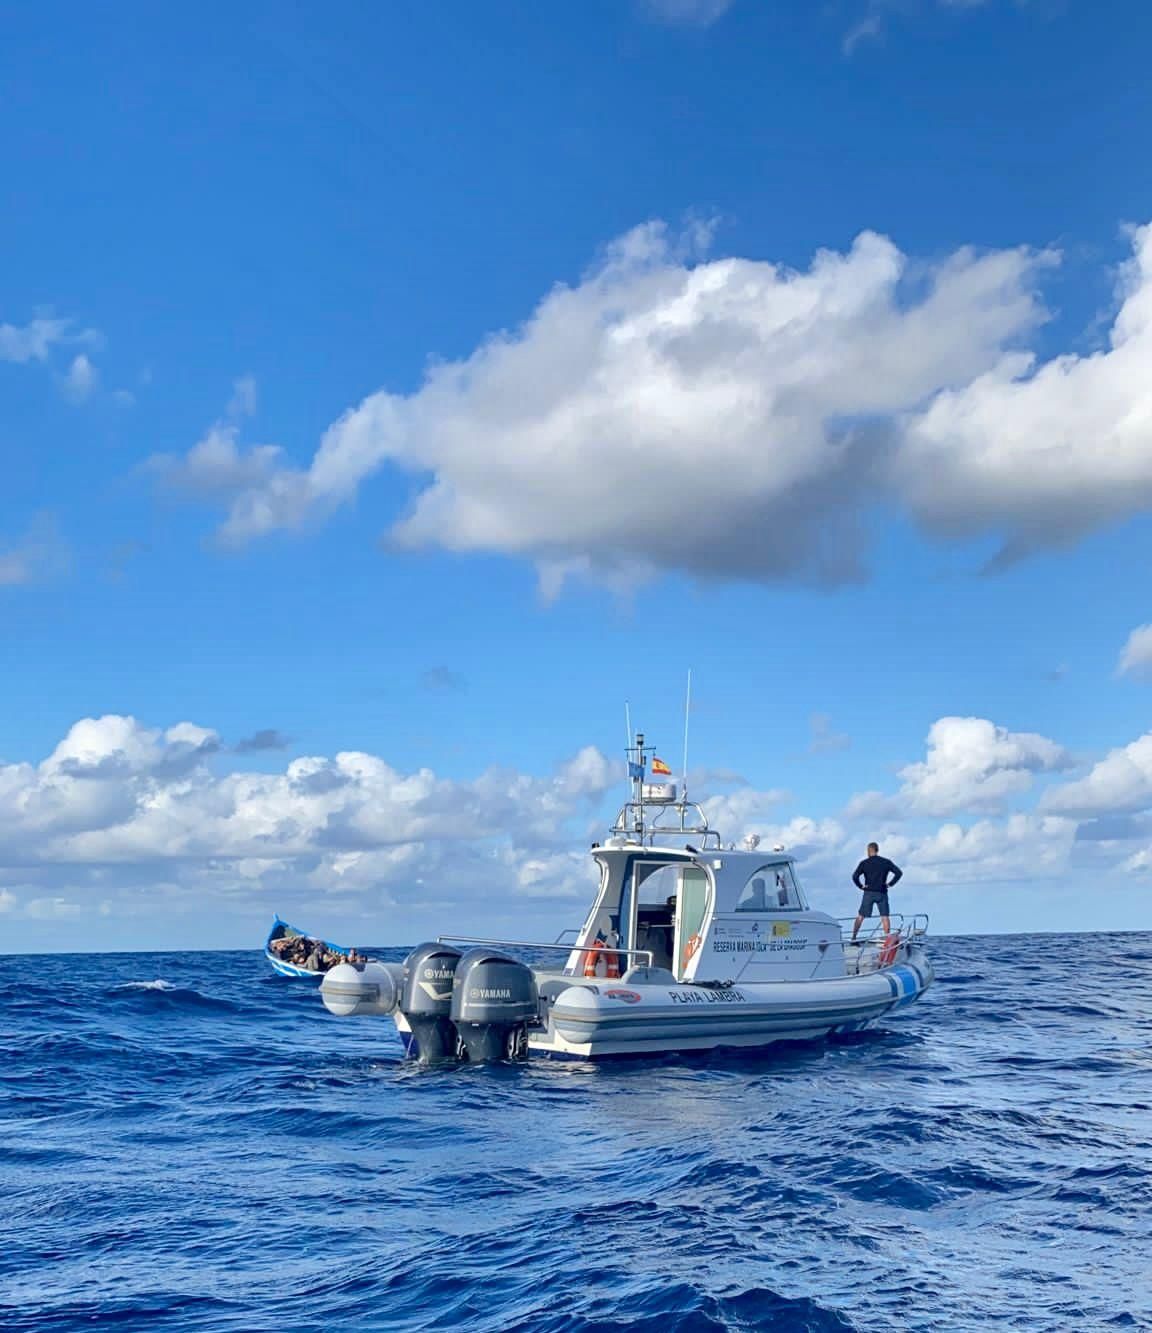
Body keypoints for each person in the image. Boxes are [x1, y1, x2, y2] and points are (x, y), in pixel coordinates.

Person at [851, 842, 902, 941]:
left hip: (868, 893)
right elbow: (899, 873)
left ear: (868, 851)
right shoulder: (886, 862)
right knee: (885, 917)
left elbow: (855, 876)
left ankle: (853, 938)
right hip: (882, 892)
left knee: (861, 916)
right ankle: (887, 940)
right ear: (877, 850)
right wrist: (890, 884)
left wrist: (861, 886)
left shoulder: (864, 863)